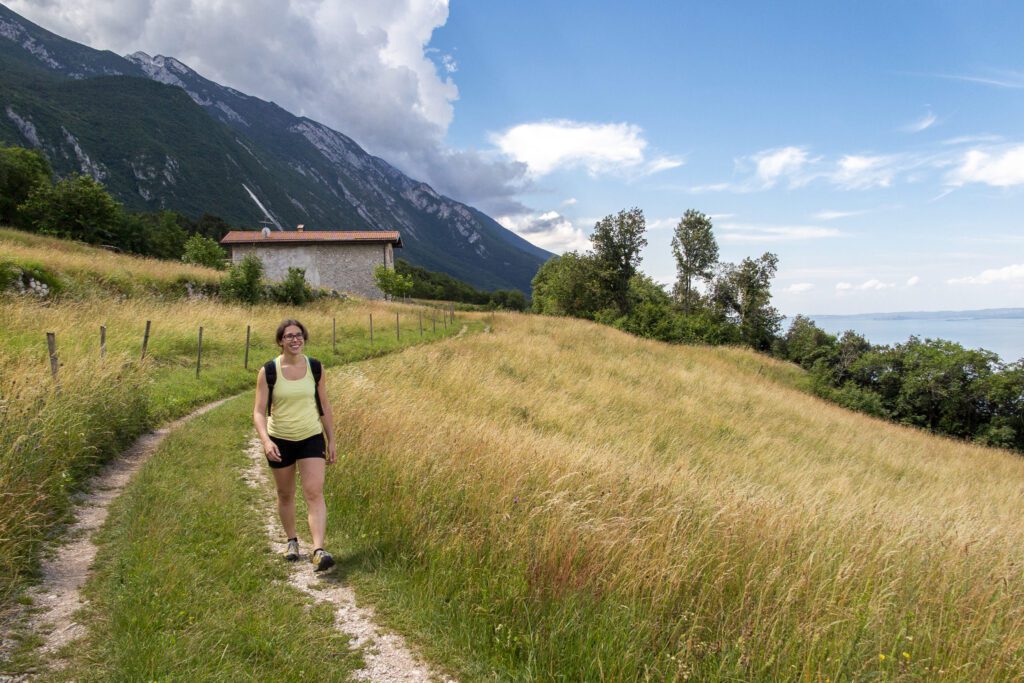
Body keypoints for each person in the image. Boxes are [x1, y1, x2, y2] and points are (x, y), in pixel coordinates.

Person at [253, 319, 338, 572]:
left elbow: (324, 405)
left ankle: (318, 549)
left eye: (298, 335)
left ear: (304, 338)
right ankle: (291, 541)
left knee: (314, 491)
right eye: (289, 336)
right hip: (280, 439)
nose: (294, 340)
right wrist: (266, 441)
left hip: (311, 436)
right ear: (280, 341)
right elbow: (258, 412)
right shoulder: (269, 370)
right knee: (285, 494)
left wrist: (331, 438)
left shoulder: (315, 368)